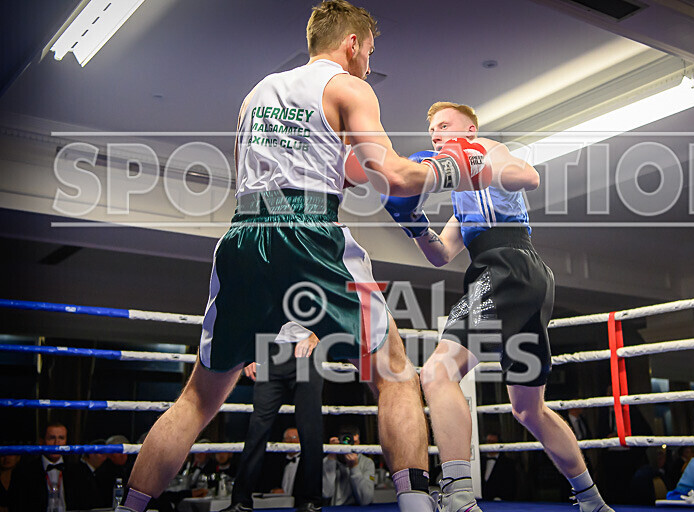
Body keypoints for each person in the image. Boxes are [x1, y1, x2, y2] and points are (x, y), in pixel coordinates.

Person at [116, 2, 491, 511]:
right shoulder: (349, 87)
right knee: (395, 374)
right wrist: (451, 168)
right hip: (310, 231)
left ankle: (129, 508)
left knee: (197, 399)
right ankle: (418, 506)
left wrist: (363, 170)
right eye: (369, 52)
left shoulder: (256, 95)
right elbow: (396, 178)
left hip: (244, 234)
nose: (368, 65)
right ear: (352, 44)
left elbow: (283, 172)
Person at [382, 101, 613, 512]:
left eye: (445, 126)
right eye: (432, 131)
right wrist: (413, 222)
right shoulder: (463, 197)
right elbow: (441, 254)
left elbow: (529, 176)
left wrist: (474, 163)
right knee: (528, 409)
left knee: (437, 372)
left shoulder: (488, 150)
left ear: (470, 130)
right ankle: (593, 500)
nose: (436, 135)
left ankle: (459, 494)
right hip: (525, 278)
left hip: (507, 267)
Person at [223, 336, 323, 512]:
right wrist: (248, 355)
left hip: (306, 353)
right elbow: (252, 320)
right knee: (257, 428)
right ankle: (241, 501)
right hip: (269, 351)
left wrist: (314, 337)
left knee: (310, 429)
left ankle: (311, 501)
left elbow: (332, 317)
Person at [8, 421, 92, 511]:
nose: (56, 443)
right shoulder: (24, 472)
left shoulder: (79, 471)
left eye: (61, 438)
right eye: (52, 438)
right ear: (41, 441)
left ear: (66, 442)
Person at [322, 426, 375, 505]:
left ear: (359, 442)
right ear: (339, 441)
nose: (349, 444)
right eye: (345, 440)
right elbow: (326, 494)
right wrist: (331, 457)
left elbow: (366, 500)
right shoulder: (327, 461)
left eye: (353, 441)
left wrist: (354, 468)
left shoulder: (367, 463)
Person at [480, 433, 518, 501]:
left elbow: (511, 485)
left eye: (493, 442)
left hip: (500, 502)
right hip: (481, 501)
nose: (490, 445)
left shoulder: (508, 463)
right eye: (488, 442)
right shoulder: (479, 461)